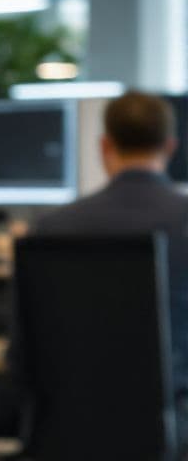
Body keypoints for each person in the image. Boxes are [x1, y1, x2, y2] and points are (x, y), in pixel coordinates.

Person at [30, 90, 188, 391]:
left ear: (105, 145)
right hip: (177, 416)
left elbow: (26, 355)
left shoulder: (51, 228)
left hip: (73, 419)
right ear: (170, 147)